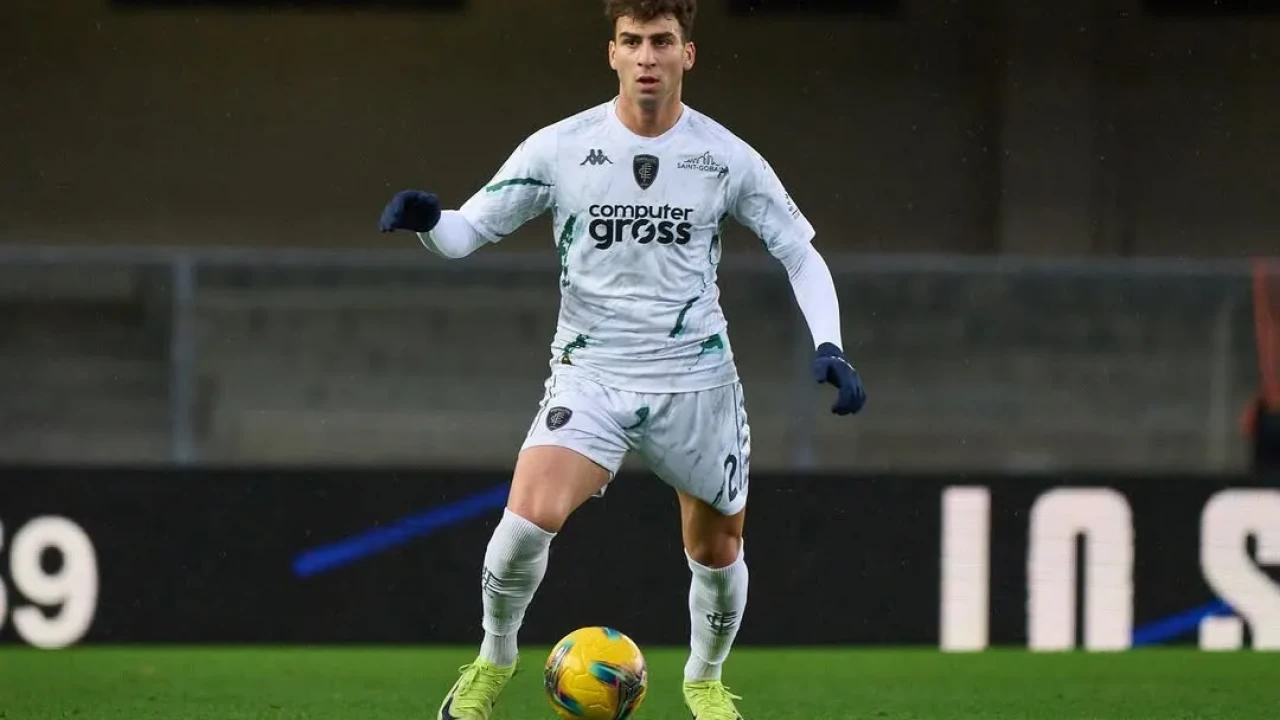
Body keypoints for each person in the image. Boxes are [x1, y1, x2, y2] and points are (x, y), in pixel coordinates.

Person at [377, 1, 865, 717]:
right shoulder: (561, 148)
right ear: (612, 53)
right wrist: (428, 223)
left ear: (686, 54)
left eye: (661, 41)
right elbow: (466, 231)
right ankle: (493, 660)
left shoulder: (726, 157)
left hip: (696, 381)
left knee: (718, 551)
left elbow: (799, 253)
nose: (646, 56)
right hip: (592, 375)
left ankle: (703, 680)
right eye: (631, 41)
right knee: (525, 521)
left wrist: (831, 344)